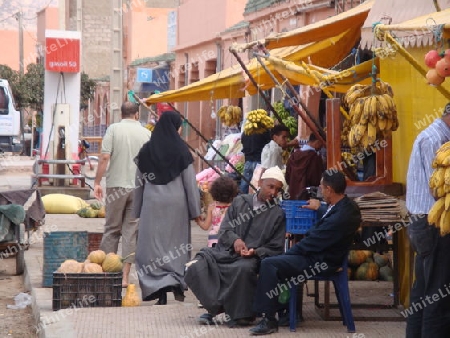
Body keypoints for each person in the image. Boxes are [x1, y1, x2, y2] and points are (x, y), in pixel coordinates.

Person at [249, 171, 361, 335]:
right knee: (273, 260)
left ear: (329, 189)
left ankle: (269, 320)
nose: (321, 191)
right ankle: (283, 312)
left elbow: (311, 243)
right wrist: (320, 207)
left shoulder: (343, 216)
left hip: (322, 262)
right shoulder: (345, 207)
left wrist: (288, 255)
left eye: (322, 188)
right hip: (320, 255)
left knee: (269, 263)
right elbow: (329, 218)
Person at [185, 166, 287, 328]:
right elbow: (225, 230)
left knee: (242, 269)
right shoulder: (240, 202)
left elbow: (276, 247)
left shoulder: (277, 214)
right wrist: (235, 241)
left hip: (252, 258)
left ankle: (241, 315)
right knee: (198, 264)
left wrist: (256, 251)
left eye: (278, 189)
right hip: (226, 251)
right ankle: (216, 307)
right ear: (260, 183)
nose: (273, 192)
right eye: (270, 186)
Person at [133, 111, 201, 305]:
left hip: (152, 204)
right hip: (176, 206)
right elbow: (190, 183)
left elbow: (139, 183)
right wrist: (195, 211)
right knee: (176, 246)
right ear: (175, 128)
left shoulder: (146, 151)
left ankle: (158, 290)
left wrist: (136, 210)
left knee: (151, 247)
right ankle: (174, 283)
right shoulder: (182, 151)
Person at [94, 102, 152, 288]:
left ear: (122, 113)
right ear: (137, 114)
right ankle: (125, 278)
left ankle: (106, 275)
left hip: (116, 186)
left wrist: (97, 182)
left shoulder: (113, 129)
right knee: (131, 232)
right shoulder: (146, 133)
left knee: (112, 228)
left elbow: (104, 157)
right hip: (138, 187)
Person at [405, 103, 450, 338]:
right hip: (431, 224)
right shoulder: (436, 140)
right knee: (437, 293)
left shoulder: (434, 136)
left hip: (424, 222)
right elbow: (438, 190)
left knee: (423, 291)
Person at [196, 176, 238, 247]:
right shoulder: (234, 206)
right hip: (229, 238)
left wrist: (198, 220)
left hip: (214, 238)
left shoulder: (212, 207)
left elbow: (205, 227)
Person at [285, 133, 324, 200]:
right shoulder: (314, 157)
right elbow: (315, 180)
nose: (321, 147)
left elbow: (287, 177)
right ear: (317, 142)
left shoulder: (293, 155)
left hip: (292, 194)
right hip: (308, 197)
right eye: (322, 144)